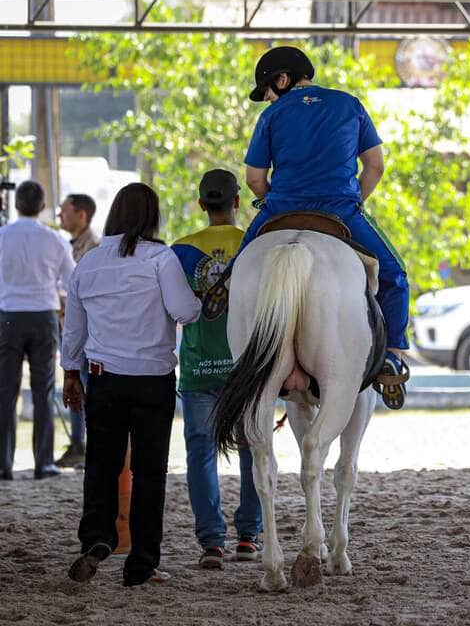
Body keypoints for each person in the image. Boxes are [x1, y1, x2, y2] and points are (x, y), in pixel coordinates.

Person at [241, 45, 411, 396]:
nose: (268, 98)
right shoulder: (350, 105)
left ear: (283, 79)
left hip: (280, 209)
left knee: (233, 274)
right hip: (341, 210)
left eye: (268, 90)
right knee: (395, 275)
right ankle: (392, 356)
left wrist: (274, 200)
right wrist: (353, 202)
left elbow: (254, 179)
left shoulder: (272, 116)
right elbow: (375, 166)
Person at [62, 183, 202, 587]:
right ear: (151, 217)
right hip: (152, 381)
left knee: (100, 465)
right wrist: (196, 301)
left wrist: (71, 374)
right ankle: (140, 564)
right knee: (149, 473)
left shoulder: (89, 262)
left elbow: (74, 329)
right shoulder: (160, 258)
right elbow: (184, 311)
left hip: (103, 379)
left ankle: (97, 539)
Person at [172, 170, 263, 568]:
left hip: (198, 367)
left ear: (201, 204)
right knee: (252, 449)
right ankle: (248, 536)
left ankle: (211, 542)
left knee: (200, 454)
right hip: (247, 368)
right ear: (237, 202)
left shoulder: (181, 250)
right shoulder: (255, 244)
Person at [0, 180, 75, 480]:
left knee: (5, 390)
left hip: (8, 316)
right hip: (44, 315)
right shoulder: (55, 240)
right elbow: (70, 281)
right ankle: (43, 463)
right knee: (43, 390)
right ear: (43, 206)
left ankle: (3, 464)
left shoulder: (3, 236)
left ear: (16, 205)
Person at [56, 193, 100, 469]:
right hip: (69, 327)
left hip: (87, 331)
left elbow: (82, 292)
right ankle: (77, 442)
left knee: (85, 384)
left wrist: (55, 297)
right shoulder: (67, 245)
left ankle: (86, 444)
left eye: (64, 210)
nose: (59, 215)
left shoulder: (93, 248)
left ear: (81, 215)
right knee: (74, 385)